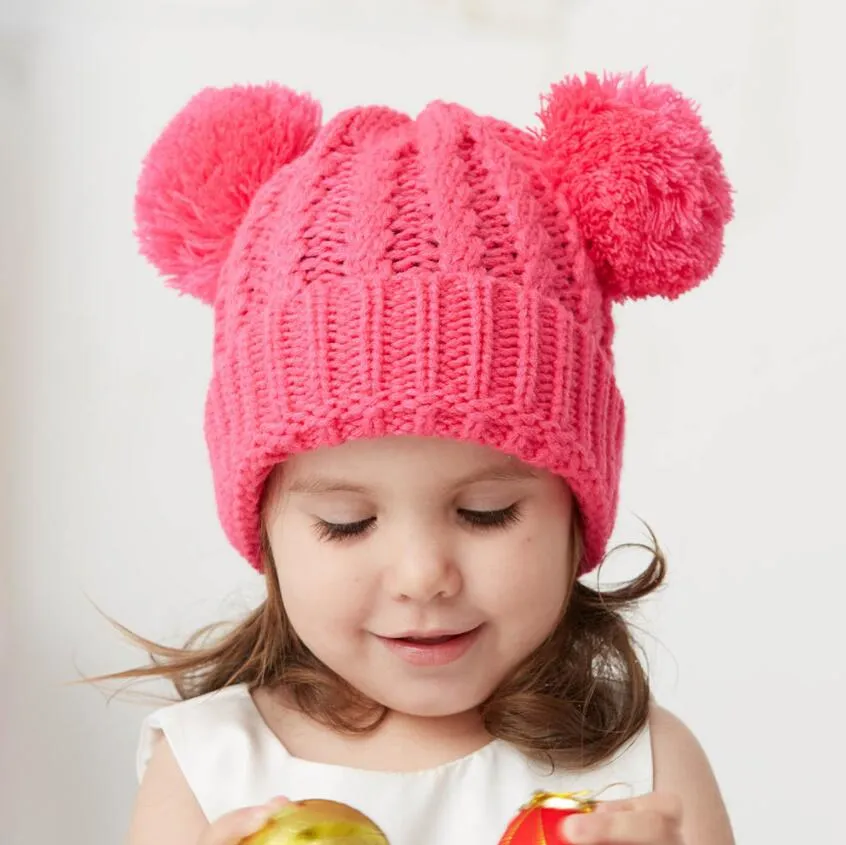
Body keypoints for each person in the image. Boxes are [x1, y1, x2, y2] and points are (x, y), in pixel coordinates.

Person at [112, 69, 736, 844]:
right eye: (346, 522)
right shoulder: (210, 770)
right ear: (264, 526)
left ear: (578, 505)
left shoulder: (642, 771)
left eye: (487, 512)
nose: (421, 576)